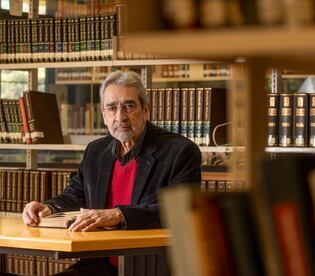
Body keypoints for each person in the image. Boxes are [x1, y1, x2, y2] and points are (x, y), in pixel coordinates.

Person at [22, 70, 202, 275]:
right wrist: (49, 207)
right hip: (99, 264)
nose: (120, 117)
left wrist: (119, 215)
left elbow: (182, 211)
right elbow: (76, 194)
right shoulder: (95, 151)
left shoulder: (180, 151)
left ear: (146, 110)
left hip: (151, 266)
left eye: (129, 106)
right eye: (112, 107)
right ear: (103, 114)